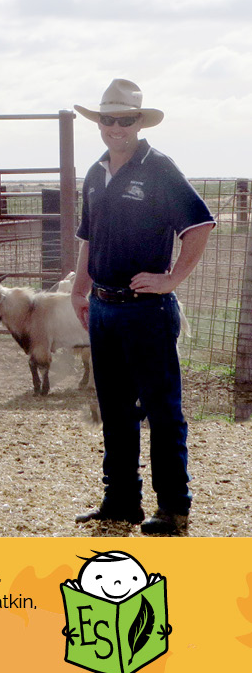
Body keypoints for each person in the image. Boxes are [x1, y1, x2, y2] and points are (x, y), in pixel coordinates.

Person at [71, 79, 214, 536]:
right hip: (104, 306)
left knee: (161, 408)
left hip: (145, 309)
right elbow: (88, 238)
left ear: (138, 122)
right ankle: (121, 501)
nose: (116, 127)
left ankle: (173, 507)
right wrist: (79, 290)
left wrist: (171, 279)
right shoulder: (95, 172)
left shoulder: (158, 169)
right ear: (99, 123)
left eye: (125, 119)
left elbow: (199, 224)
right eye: (108, 119)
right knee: (113, 407)